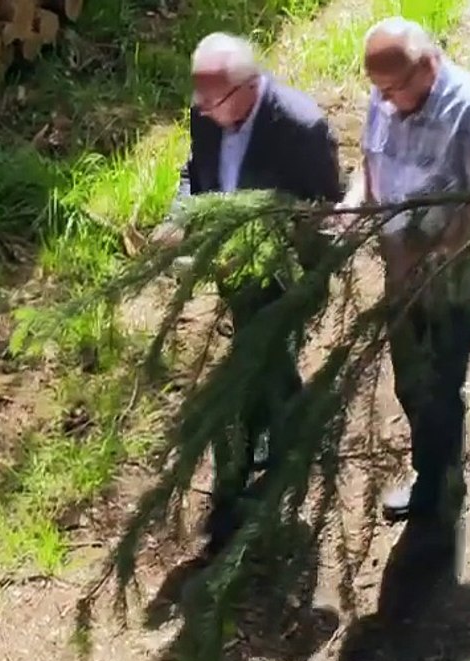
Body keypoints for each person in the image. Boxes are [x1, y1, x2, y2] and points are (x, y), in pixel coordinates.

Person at [152, 32, 344, 559]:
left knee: (256, 367)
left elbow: (326, 211)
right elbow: (196, 173)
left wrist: (278, 252)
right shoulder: (207, 112)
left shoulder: (301, 128)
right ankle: (280, 442)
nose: (203, 112)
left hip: (284, 277)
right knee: (261, 364)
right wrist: (180, 216)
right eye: (200, 102)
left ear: (248, 86)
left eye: (212, 102)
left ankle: (266, 472)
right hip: (235, 272)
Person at [342, 17, 470, 566]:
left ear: (427, 66)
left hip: (458, 273)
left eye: (395, 89)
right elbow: (369, 161)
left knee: (440, 382)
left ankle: (439, 491)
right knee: (410, 381)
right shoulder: (387, 96)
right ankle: (432, 468)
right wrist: (354, 203)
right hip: (402, 267)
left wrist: (428, 245)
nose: (386, 101)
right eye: (379, 91)